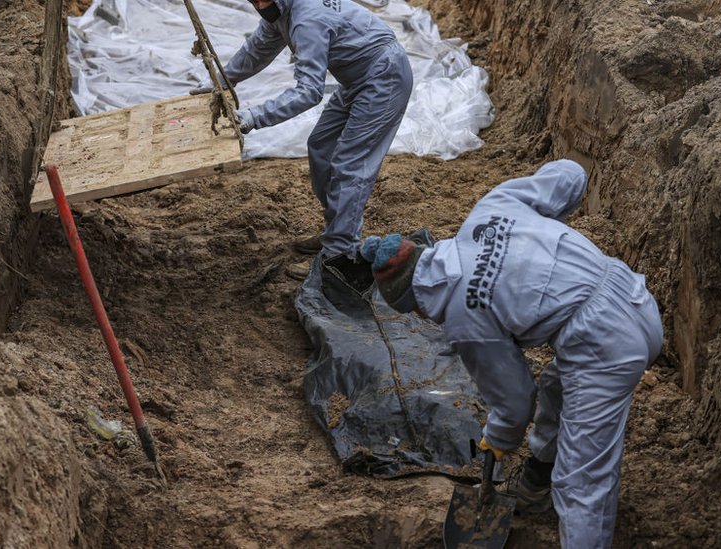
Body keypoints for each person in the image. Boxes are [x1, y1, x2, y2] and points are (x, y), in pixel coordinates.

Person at [359, 159, 663, 548]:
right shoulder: (491, 209)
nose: (421, 316)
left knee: (581, 481)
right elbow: (570, 175)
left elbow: (516, 400)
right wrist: (537, 234)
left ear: (415, 301)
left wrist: (498, 439)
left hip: (604, 346)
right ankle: (537, 479)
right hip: (635, 298)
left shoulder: (464, 316)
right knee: (557, 386)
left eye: (415, 310)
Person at [213, 0, 414, 278]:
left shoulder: (307, 19)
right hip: (358, 79)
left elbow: (309, 91)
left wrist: (255, 116)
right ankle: (336, 232)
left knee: (350, 164)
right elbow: (258, 47)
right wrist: (223, 81)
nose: (260, 4)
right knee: (321, 146)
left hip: (383, 77)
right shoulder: (281, 10)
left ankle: (339, 255)